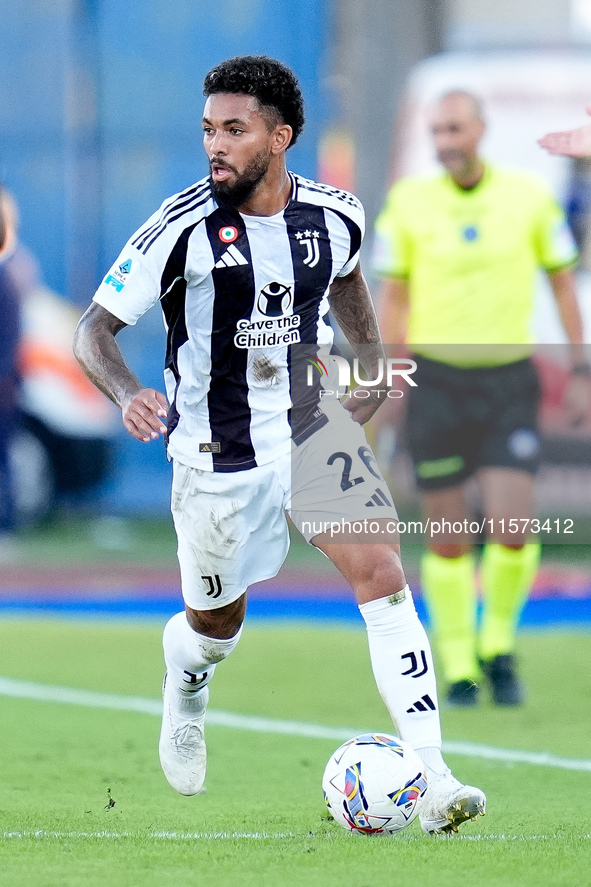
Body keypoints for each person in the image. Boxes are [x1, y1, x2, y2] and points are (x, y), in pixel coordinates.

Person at [73, 56, 485, 834]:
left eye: (234, 129)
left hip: (309, 422)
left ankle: (431, 776)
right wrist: (129, 394)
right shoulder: (180, 228)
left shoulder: (335, 214)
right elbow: (92, 330)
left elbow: (349, 278)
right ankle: (186, 684)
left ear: (280, 136)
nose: (215, 146)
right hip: (214, 451)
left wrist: (368, 364)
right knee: (214, 625)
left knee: (383, 571)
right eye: (208, 130)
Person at [373, 90, 589, 707]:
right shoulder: (410, 204)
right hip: (439, 382)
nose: (445, 141)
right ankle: (460, 662)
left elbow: (563, 284)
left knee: (514, 526)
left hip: (506, 382)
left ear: (480, 130)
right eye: (436, 130)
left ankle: (498, 644)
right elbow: (395, 297)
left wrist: (579, 369)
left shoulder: (527, 199)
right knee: (448, 537)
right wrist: (389, 372)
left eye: (455, 129)